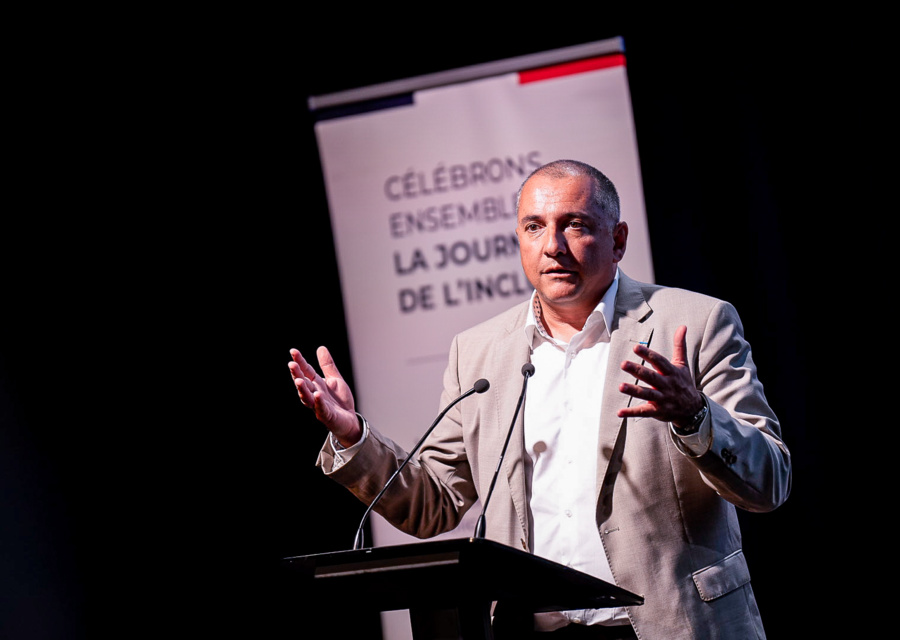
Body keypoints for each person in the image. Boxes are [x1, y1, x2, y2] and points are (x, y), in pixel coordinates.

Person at [289, 160, 791, 639]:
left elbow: (769, 481)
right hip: (530, 631)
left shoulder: (695, 323)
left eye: (575, 225)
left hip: (673, 626)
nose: (553, 246)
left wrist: (695, 417)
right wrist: (353, 436)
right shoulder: (478, 351)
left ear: (617, 240)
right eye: (534, 227)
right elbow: (432, 504)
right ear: (519, 239)